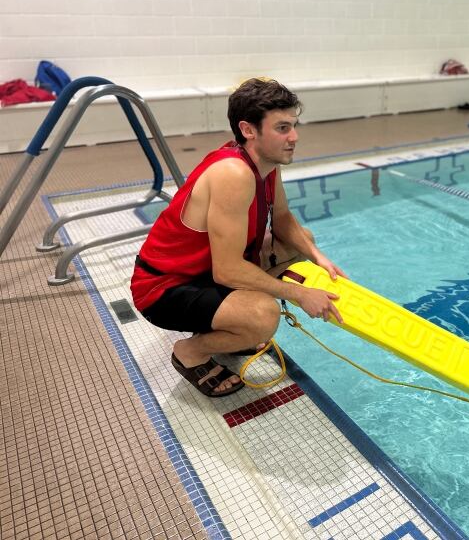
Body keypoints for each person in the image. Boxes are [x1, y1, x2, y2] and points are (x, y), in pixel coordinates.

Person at [131, 78, 346, 397]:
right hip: (164, 288)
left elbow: (284, 220)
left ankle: (228, 325)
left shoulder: (266, 162)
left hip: (205, 273)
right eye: (283, 128)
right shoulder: (233, 174)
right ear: (249, 130)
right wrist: (301, 295)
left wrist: (317, 256)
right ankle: (192, 352)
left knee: (302, 241)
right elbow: (227, 271)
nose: (294, 137)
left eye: (294, 126)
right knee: (263, 316)